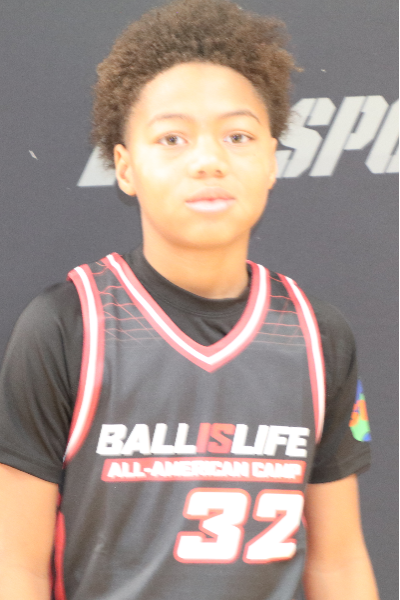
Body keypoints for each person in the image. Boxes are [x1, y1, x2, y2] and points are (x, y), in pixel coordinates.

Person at [0, 1, 380, 599]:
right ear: (126, 167)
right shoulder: (67, 327)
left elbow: (338, 563)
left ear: (272, 158)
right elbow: (15, 567)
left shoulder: (315, 334)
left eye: (238, 136)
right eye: (172, 138)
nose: (208, 161)